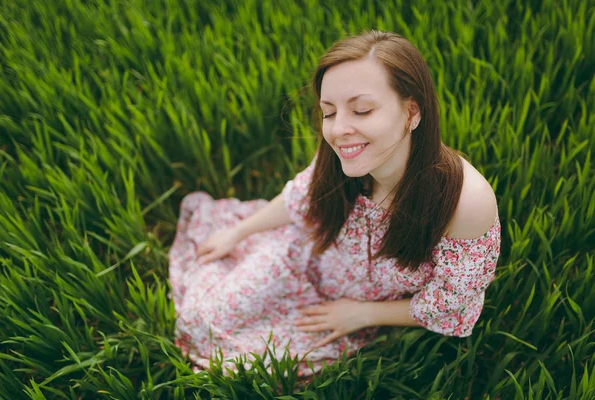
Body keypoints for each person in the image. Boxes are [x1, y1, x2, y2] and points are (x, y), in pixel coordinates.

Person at [168, 30, 501, 378]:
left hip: (357, 308)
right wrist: (237, 232)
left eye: (362, 110)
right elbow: (302, 198)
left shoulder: (466, 202)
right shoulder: (346, 154)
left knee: (243, 365)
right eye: (329, 113)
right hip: (299, 256)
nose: (339, 129)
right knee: (197, 323)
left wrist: (363, 314)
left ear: (412, 112)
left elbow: (452, 299)